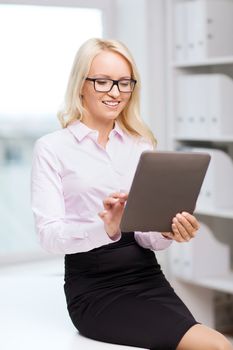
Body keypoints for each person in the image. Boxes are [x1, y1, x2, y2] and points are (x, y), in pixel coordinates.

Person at [31, 38, 232, 350]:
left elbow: (146, 238)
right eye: (103, 82)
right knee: (217, 345)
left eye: (124, 83)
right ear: (81, 84)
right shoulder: (52, 148)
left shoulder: (140, 145)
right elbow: (48, 236)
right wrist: (106, 227)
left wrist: (166, 230)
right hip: (95, 289)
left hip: (147, 276)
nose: (115, 93)